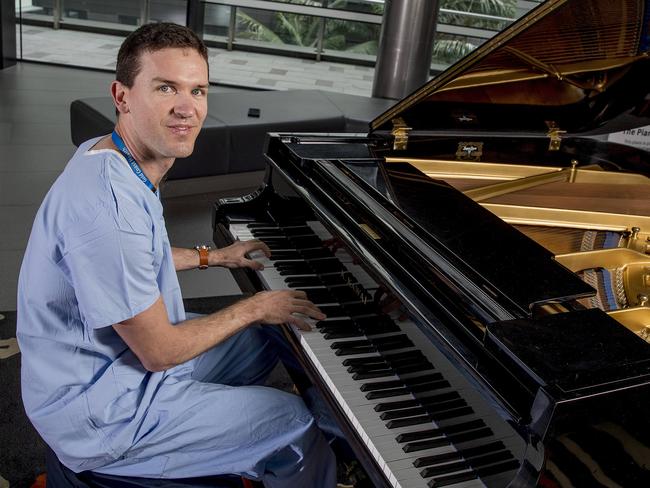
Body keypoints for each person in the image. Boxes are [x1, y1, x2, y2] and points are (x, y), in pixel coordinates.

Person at [17, 22, 337, 487]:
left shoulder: (108, 154)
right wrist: (255, 305)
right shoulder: (109, 207)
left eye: (198, 90)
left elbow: (134, 255)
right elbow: (160, 351)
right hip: (103, 412)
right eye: (165, 87)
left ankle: (343, 427)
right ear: (122, 96)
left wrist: (216, 257)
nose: (187, 108)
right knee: (290, 423)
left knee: (278, 332)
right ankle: (309, 449)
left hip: (114, 368)